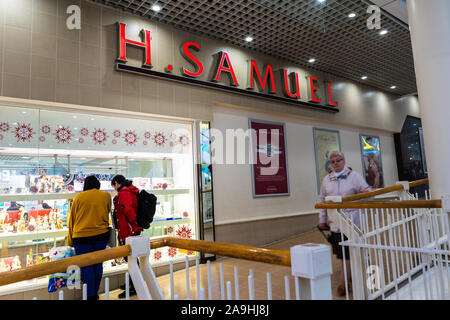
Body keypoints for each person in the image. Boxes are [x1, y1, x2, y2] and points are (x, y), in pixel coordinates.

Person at [318, 151, 371, 296]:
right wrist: (322, 220)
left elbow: (366, 191)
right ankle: (350, 277)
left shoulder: (354, 176)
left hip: (352, 222)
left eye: (338, 160)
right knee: (343, 255)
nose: (335, 163)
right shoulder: (327, 180)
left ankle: (343, 284)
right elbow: (322, 200)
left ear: (344, 161)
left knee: (347, 255)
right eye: (333, 161)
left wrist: (365, 192)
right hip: (335, 224)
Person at [67, 175, 111, 301]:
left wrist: (70, 240)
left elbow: (72, 221)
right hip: (101, 236)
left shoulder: (79, 197)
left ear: (85, 185)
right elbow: (107, 214)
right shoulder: (106, 196)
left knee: (86, 266)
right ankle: (94, 293)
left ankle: (90, 295)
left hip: (81, 238)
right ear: (98, 184)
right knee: (98, 264)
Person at [111, 174, 142, 298]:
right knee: (130, 258)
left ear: (117, 183)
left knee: (131, 258)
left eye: (113, 186)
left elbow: (128, 210)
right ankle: (132, 282)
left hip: (128, 230)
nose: (114, 188)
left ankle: (135, 286)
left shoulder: (124, 192)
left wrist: (133, 224)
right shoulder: (128, 190)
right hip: (128, 229)